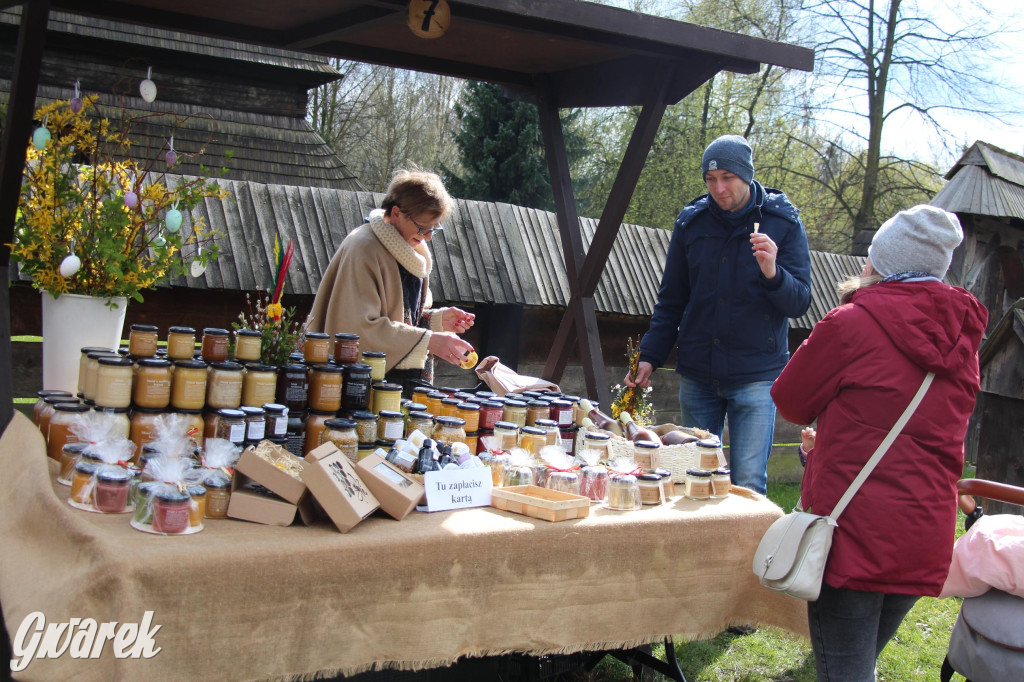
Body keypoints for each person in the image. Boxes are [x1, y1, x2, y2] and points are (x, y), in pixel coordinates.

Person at [771, 205, 988, 681]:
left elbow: (789, 400)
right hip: (922, 532)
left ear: (882, 259)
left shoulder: (850, 324)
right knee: (859, 667)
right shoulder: (965, 341)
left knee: (846, 673)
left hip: (852, 534)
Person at [625, 134, 811, 495]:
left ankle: (747, 554)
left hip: (756, 375)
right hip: (699, 372)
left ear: (746, 175)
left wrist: (774, 272)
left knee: (747, 483)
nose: (719, 188)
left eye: (727, 178)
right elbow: (671, 298)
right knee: (694, 476)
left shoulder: (782, 221)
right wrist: (650, 354)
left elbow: (800, 302)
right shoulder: (692, 223)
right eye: (711, 180)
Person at [309, 169, 475, 393]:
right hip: (359, 388)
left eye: (433, 230)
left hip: (396, 384)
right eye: (422, 228)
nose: (427, 237)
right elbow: (357, 331)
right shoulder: (363, 248)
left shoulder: (412, 250)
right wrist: (430, 341)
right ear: (396, 213)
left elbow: (402, 317)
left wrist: (436, 320)